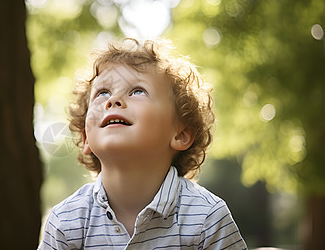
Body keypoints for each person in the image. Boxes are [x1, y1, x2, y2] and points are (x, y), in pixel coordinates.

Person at [38, 38, 247, 249]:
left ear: (181, 134)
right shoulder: (65, 222)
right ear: (85, 138)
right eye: (102, 93)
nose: (113, 100)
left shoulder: (207, 218)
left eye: (138, 91)